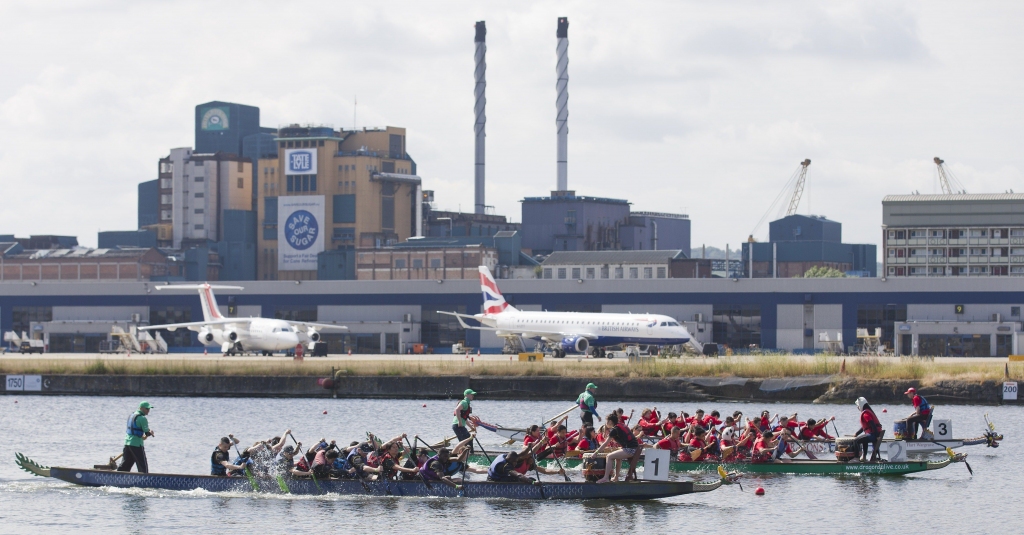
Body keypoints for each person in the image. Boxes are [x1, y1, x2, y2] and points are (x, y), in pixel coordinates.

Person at [591, 412, 642, 483]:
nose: (605, 423)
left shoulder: (614, 430)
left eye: (606, 421)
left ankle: (606, 478)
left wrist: (596, 453)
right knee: (618, 458)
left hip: (630, 449)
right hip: (634, 448)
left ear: (610, 421)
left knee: (609, 456)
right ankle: (616, 477)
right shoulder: (621, 425)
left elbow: (605, 443)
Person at [118, 401, 154, 473]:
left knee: (125, 464)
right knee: (142, 465)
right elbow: (146, 433)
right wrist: (150, 433)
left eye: (149, 409)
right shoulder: (142, 418)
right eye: (146, 409)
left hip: (127, 443)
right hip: (137, 444)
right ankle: (145, 480)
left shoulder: (131, 416)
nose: (148, 411)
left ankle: (117, 476)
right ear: (141, 408)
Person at [854, 397, 884, 462]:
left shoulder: (865, 414)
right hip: (874, 434)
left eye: (858, 406)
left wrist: (876, 436)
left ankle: (856, 458)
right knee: (864, 440)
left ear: (861, 405)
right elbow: (865, 427)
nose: (858, 408)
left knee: (856, 441)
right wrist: (856, 434)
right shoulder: (868, 412)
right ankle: (864, 457)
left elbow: (872, 425)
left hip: (873, 435)